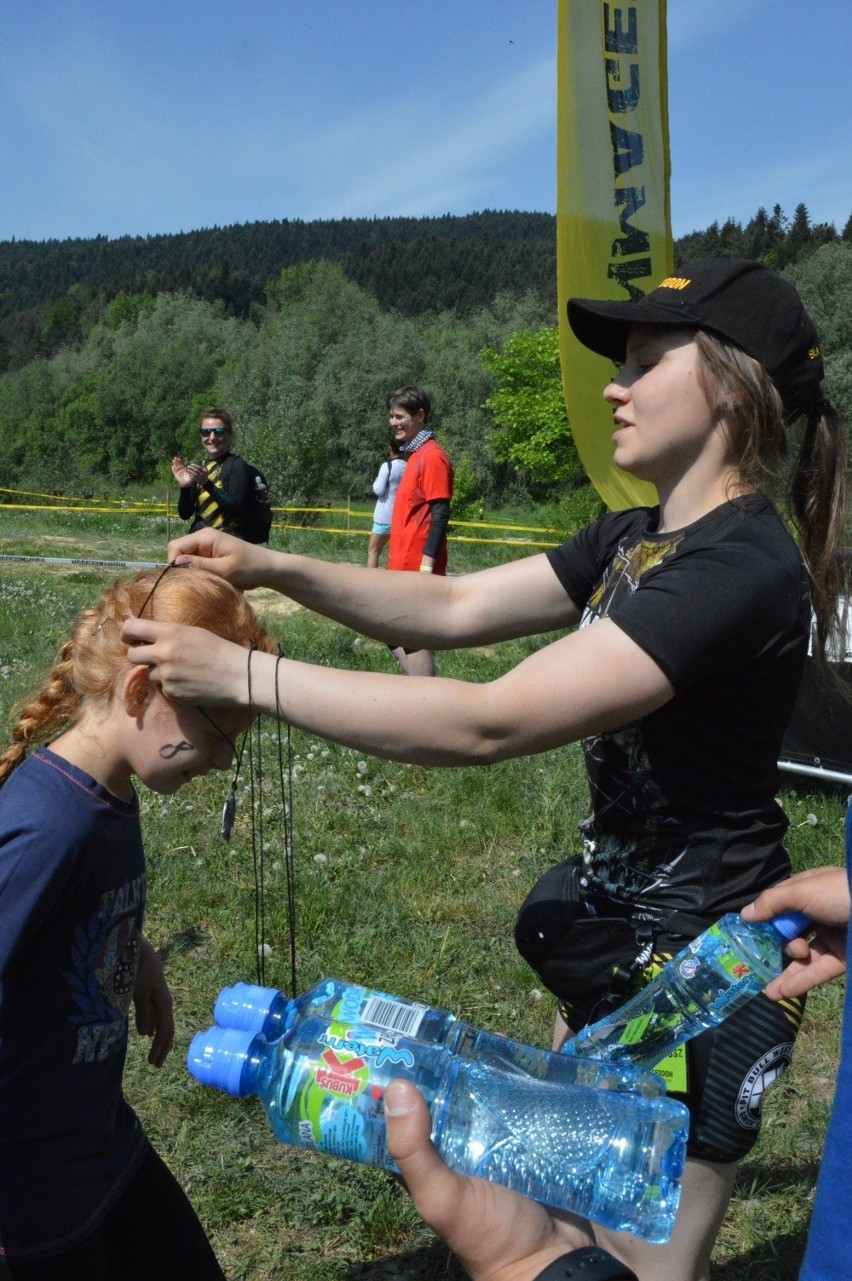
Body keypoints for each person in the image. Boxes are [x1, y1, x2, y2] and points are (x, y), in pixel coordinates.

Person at [119, 259, 846, 1281]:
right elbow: (453, 611)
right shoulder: (637, 538)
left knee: (636, 1265)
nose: (612, 385)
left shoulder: (739, 569)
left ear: (731, 382)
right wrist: (278, 569)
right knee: (560, 1232)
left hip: (703, 977)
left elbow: (491, 723)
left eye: (643, 360)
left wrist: (248, 672)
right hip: (610, 947)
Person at [383, 856, 852, 1281]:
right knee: (578, 1210)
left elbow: (484, 751)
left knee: (652, 1265)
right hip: (610, 927)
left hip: (692, 938)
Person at [0, 566, 274, 1279]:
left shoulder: (105, 792)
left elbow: (67, 909)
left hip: (98, 1138)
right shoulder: (49, 825)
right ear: (139, 689)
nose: (223, 759)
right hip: (31, 1183)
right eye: (219, 732)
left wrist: (135, 951)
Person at [385, 385, 453, 675]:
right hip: (401, 562)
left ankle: (425, 699)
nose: (393, 422)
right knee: (392, 631)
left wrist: (426, 567)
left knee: (411, 637)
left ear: (420, 415)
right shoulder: (415, 455)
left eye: (400, 416)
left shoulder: (432, 456)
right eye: (391, 416)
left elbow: (440, 514)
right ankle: (420, 691)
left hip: (417, 566)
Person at [171, 407, 266, 543]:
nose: (212, 437)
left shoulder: (237, 465)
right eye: (206, 432)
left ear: (229, 435)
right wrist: (185, 487)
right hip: (200, 537)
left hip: (230, 539)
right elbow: (184, 514)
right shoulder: (200, 467)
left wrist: (207, 483)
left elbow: (236, 507)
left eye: (219, 432)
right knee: (174, 549)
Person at [367, 437, 407, 569]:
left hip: (384, 517)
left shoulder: (387, 466)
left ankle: (370, 581)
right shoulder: (408, 466)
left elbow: (379, 490)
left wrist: (376, 481)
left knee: (373, 551)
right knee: (395, 554)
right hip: (400, 518)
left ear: (390, 448)